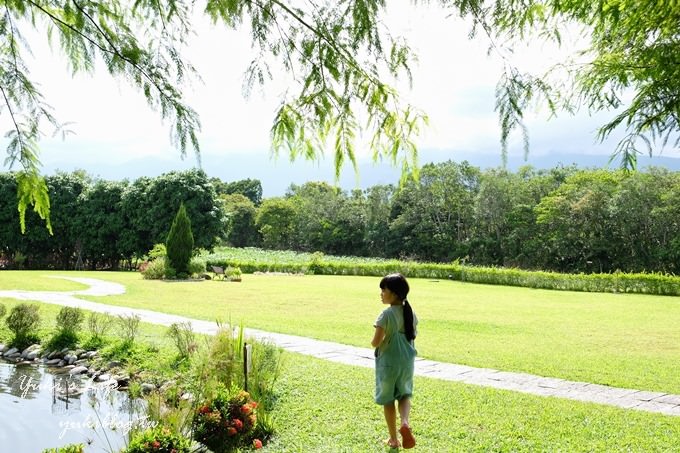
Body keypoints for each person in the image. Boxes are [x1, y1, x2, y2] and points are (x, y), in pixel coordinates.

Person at [371, 273, 418, 449]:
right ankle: (405, 422)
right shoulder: (411, 313)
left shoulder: (386, 315)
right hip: (406, 362)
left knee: (388, 399)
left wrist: (378, 344)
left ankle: (393, 439)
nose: (381, 293)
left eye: (384, 290)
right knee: (405, 394)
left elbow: (376, 342)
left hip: (388, 363)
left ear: (395, 294)